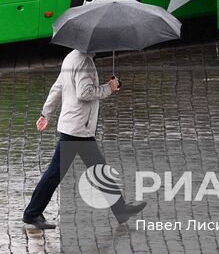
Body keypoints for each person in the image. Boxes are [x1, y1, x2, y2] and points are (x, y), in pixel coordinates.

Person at [22, 48, 147, 230]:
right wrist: (108, 88)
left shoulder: (71, 57)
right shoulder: (84, 63)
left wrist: (46, 113)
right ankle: (31, 213)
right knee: (56, 172)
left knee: (97, 169)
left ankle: (121, 210)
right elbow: (84, 93)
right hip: (78, 128)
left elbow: (58, 87)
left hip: (76, 126)